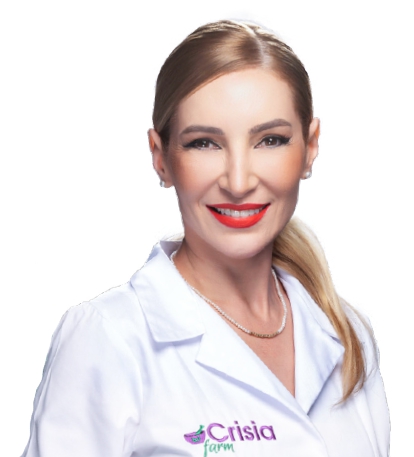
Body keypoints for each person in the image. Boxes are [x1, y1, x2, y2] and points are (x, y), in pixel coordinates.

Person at [21, 19, 390, 457]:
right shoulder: (108, 340)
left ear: (310, 148)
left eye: (270, 140)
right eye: (204, 143)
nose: (238, 181)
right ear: (161, 158)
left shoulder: (347, 334)